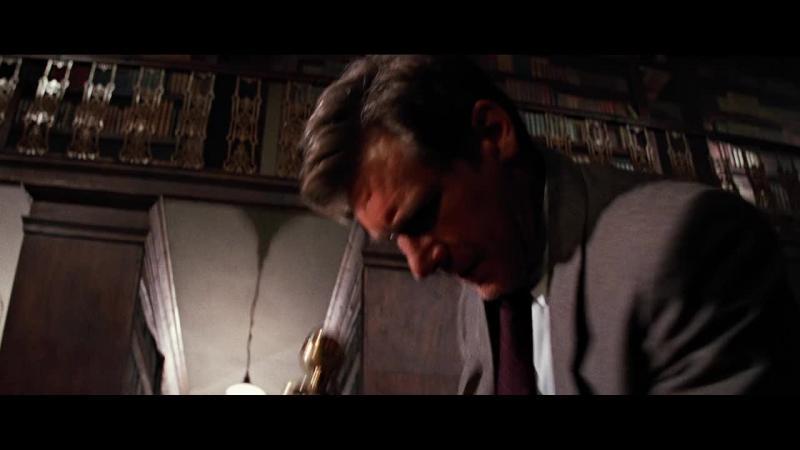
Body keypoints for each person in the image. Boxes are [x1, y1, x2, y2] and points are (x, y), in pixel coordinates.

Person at [298, 55, 800, 394]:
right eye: (397, 238)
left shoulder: (688, 244)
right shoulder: (477, 299)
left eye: (423, 215)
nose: (419, 266)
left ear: (494, 133)